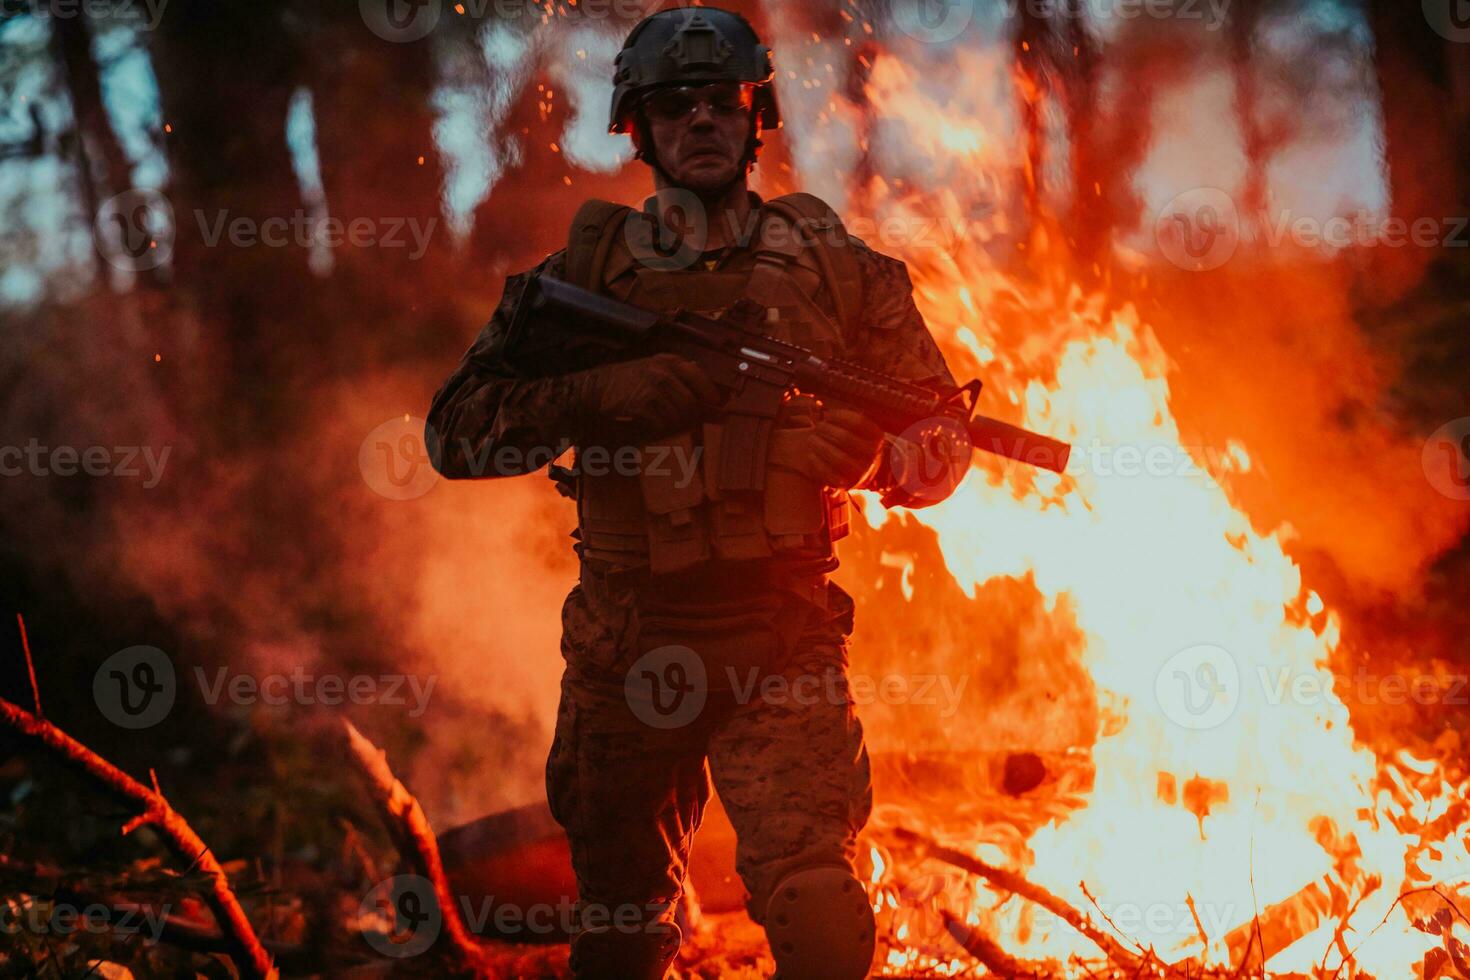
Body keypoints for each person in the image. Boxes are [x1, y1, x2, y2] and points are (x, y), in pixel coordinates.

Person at [427, 8, 960, 977]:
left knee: (820, 911)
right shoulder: (578, 279)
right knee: (623, 932)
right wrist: (602, 394)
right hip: (627, 643)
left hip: (782, 634)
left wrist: (878, 463)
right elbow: (454, 433)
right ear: (638, 126)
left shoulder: (841, 272)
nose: (704, 121)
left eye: (725, 102)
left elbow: (942, 438)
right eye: (678, 105)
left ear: (757, 118)